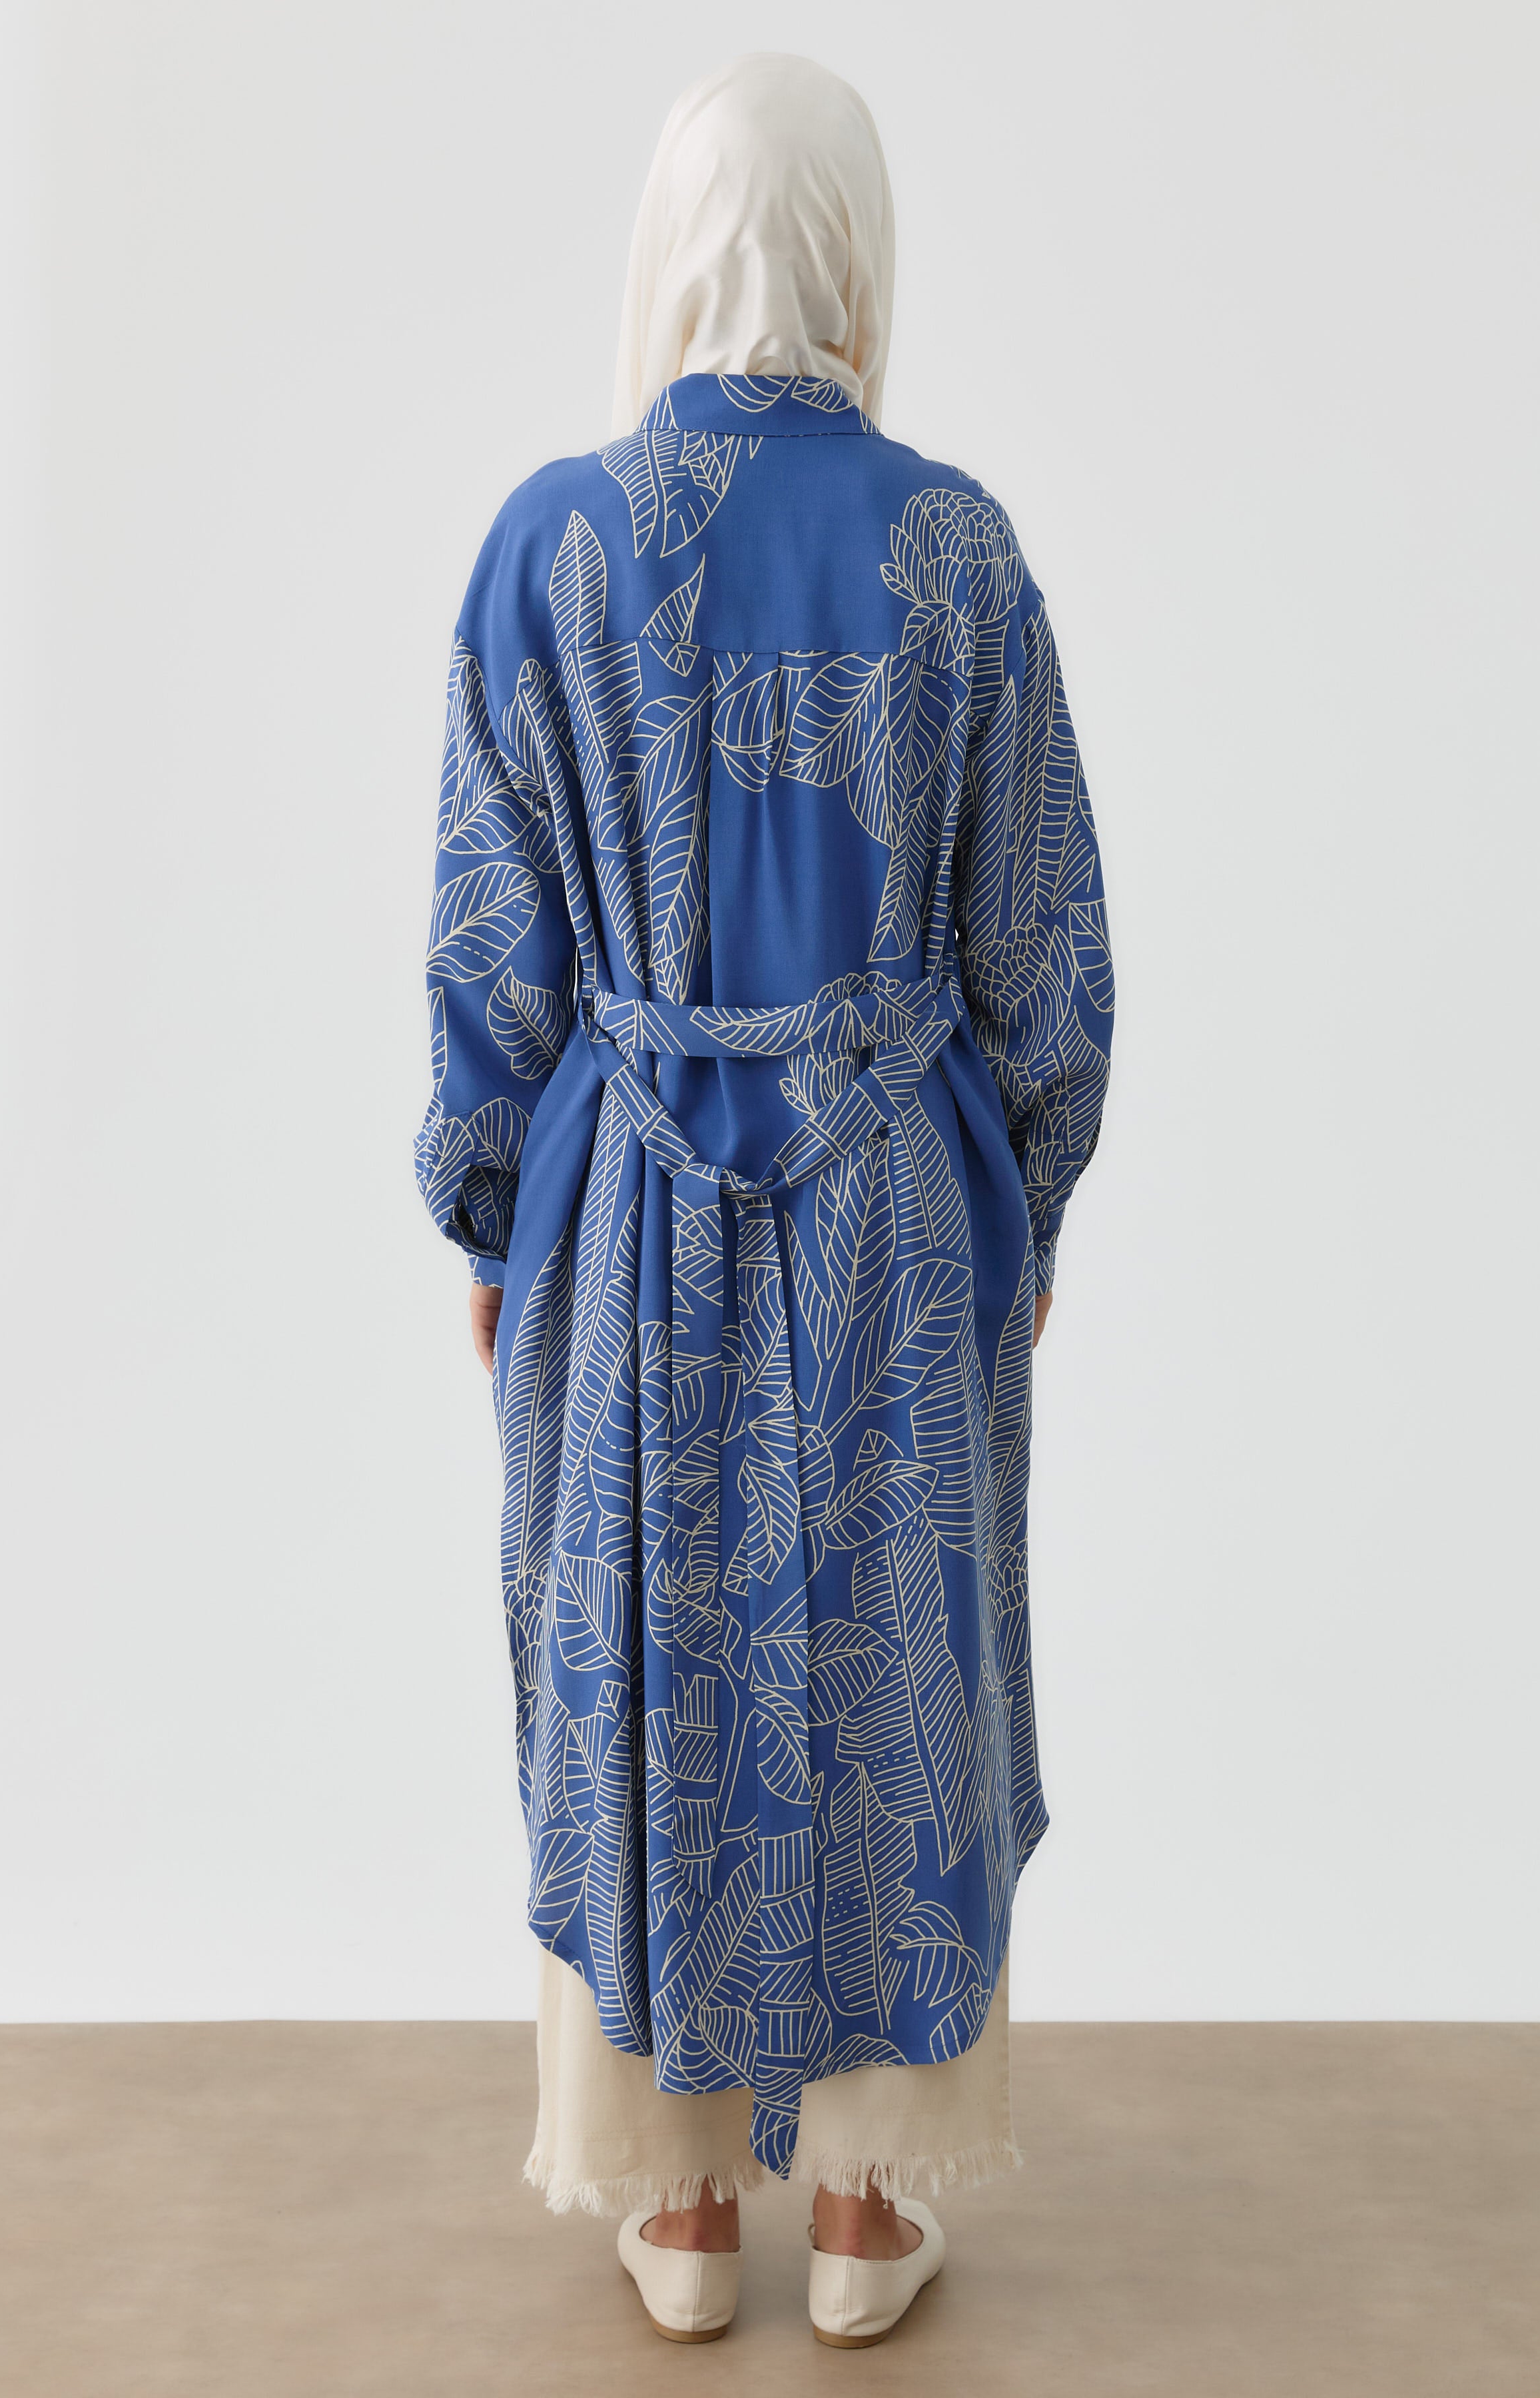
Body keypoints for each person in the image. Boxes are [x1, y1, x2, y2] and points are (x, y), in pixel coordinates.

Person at [415, 50, 1112, 2348]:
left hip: (629, 1203)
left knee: (645, 1656)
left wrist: (490, 1213)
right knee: (895, 1653)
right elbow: (1044, 942)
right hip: (900, 1203)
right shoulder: (961, 547)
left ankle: (684, 2207)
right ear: (855, 255)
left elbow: (492, 944)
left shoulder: (551, 540)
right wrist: (1030, 1203)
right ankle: (874, 2215)